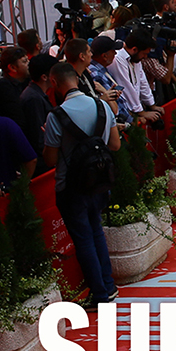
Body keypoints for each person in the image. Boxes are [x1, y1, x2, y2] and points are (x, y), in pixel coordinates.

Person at [43, 62, 121, 309]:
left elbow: (50, 160)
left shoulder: (56, 116)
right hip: (100, 182)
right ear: (76, 79)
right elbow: (115, 145)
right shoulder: (102, 106)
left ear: (54, 83)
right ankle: (108, 286)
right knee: (96, 231)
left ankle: (99, 294)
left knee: (84, 239)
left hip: (71, 187)